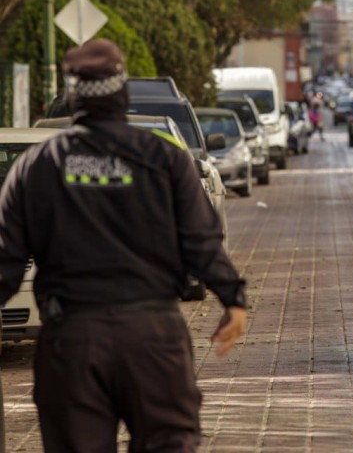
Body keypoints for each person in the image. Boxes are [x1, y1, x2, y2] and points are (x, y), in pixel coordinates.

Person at [0, 39, 247, 451]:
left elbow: (6, 261)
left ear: (71, 96)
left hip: (72, 340)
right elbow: (202, 240)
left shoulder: (37, 166)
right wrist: (233, 300)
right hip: (152, 337)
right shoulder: (165, 159)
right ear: (122, 92)